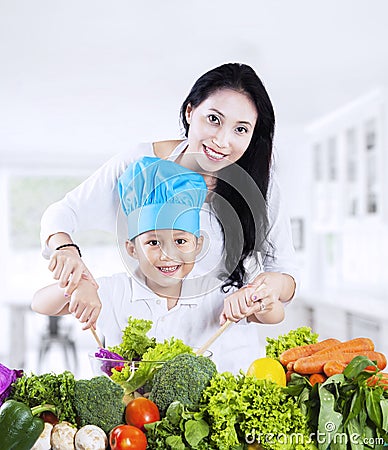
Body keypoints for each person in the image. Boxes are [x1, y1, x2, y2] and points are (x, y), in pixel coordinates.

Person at [40, 62, 297, 330]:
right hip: (154, 336)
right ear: (190, 112)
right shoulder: (141, 163)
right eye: (213, 119)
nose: (222, 141)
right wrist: (66, 250)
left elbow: (286, 273)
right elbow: (62, 213)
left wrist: (265, 288)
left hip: (225, 346)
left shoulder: (260, 185)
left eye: (240, 129)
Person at [32, 157, 285, 373]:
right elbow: (40, 303)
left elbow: (272, 316)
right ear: (131, 248)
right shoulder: (117, 291)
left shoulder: (213, 291)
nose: (167, 254)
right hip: (127, 421)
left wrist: (262, 302)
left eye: (181, 240)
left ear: (198, 245)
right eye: (153, 242)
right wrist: (78, 287)